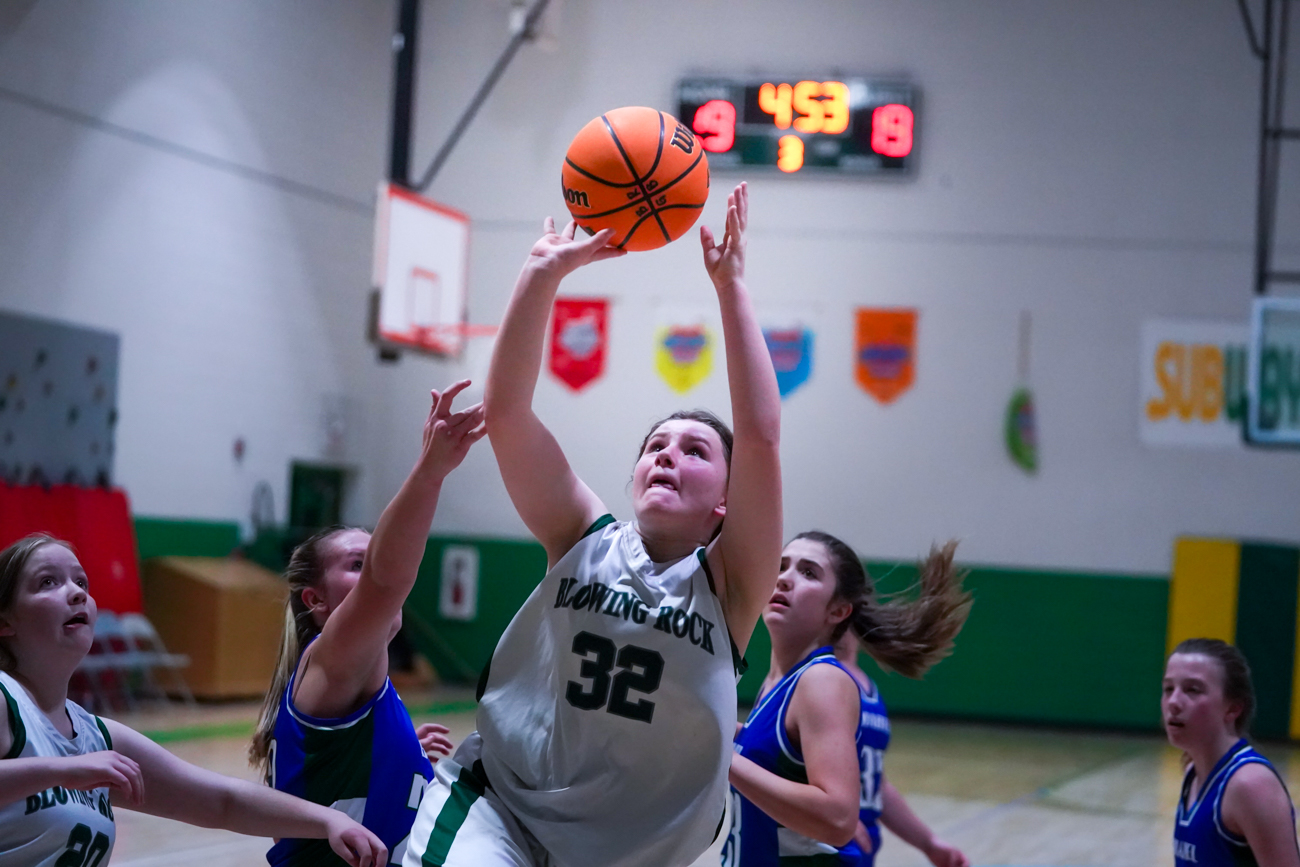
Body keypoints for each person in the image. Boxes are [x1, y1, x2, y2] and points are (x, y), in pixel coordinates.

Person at [404, 182, 782, 867]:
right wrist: (539, 275)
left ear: (727, 502)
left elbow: (758, 436)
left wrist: (730, 288)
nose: (666, 454)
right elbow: (508, 412)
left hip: (630, 850)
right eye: (655, 446)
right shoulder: (582, 534)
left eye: (695, 451)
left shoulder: (731, 586)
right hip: (504, 804)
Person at [0, 533, 387, 867]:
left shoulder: (96, 737)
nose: (76, 592)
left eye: (81, 581)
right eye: (47, 582)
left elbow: (222, 801)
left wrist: (328, 820)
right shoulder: (5, 700)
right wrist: (60, 771)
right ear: (5, 621)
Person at [249, 381, 485, 866]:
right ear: (316, 600)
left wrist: (396, 754)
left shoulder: (352, 682)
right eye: (358, 564)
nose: (374, 571)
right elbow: (387, 580)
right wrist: (431, 470)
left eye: (371, 560)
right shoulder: (329, 660)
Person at [723, 531, 971, 867]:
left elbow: (838, 818)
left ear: (839, 611)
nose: (784, 578)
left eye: (808, 572)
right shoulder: (779, 681)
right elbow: (773, 756)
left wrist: (721, 756)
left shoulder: (822, 681)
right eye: (780, 566)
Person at [1164, 638, 1300, 867]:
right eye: (1168, 689)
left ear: (1234, 708)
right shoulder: (1192, 773)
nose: (1173, 702)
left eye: (1192, 690)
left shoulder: (1251, 785)